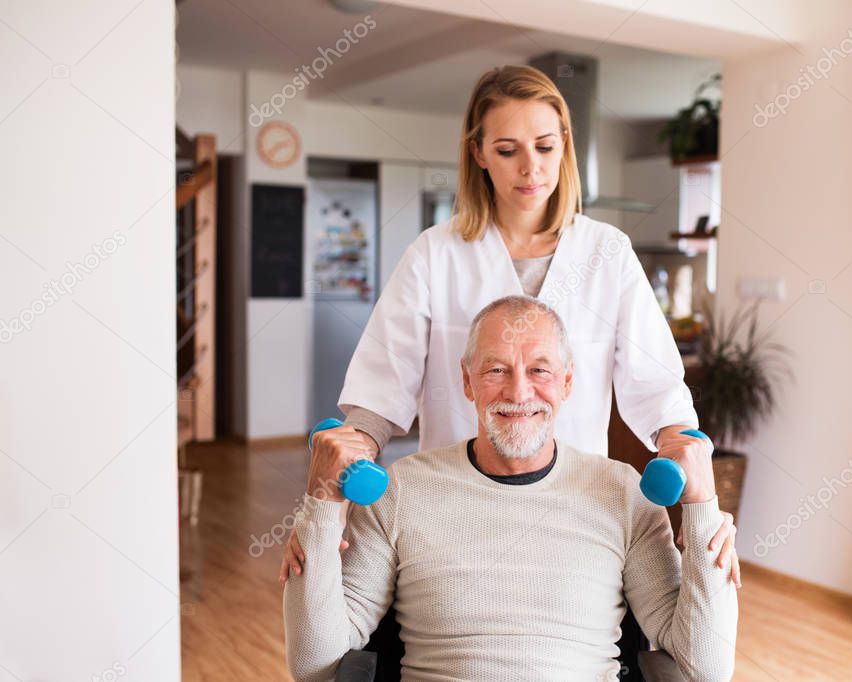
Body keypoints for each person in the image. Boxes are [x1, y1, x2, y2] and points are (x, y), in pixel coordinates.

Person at [280, 64, 740, 584]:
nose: (530, 168)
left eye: (544, 147)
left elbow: (655, 384)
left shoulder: (606, 252)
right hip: (453, 503)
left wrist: (692, 466)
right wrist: (333, 487)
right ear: (478, 153)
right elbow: (382, 384)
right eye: (507, 150)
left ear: (565, 144)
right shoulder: (436, 253)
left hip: (577, 507)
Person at [284, 296, 738, 681]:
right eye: (496, 370)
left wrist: (703, 510)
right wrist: (321, 507)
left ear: (567, 381)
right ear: (467, 381)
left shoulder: (624, 494)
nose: (519, 393)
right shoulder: (402, 490)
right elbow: (314, 664)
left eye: (540, 370)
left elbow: (705, 668)